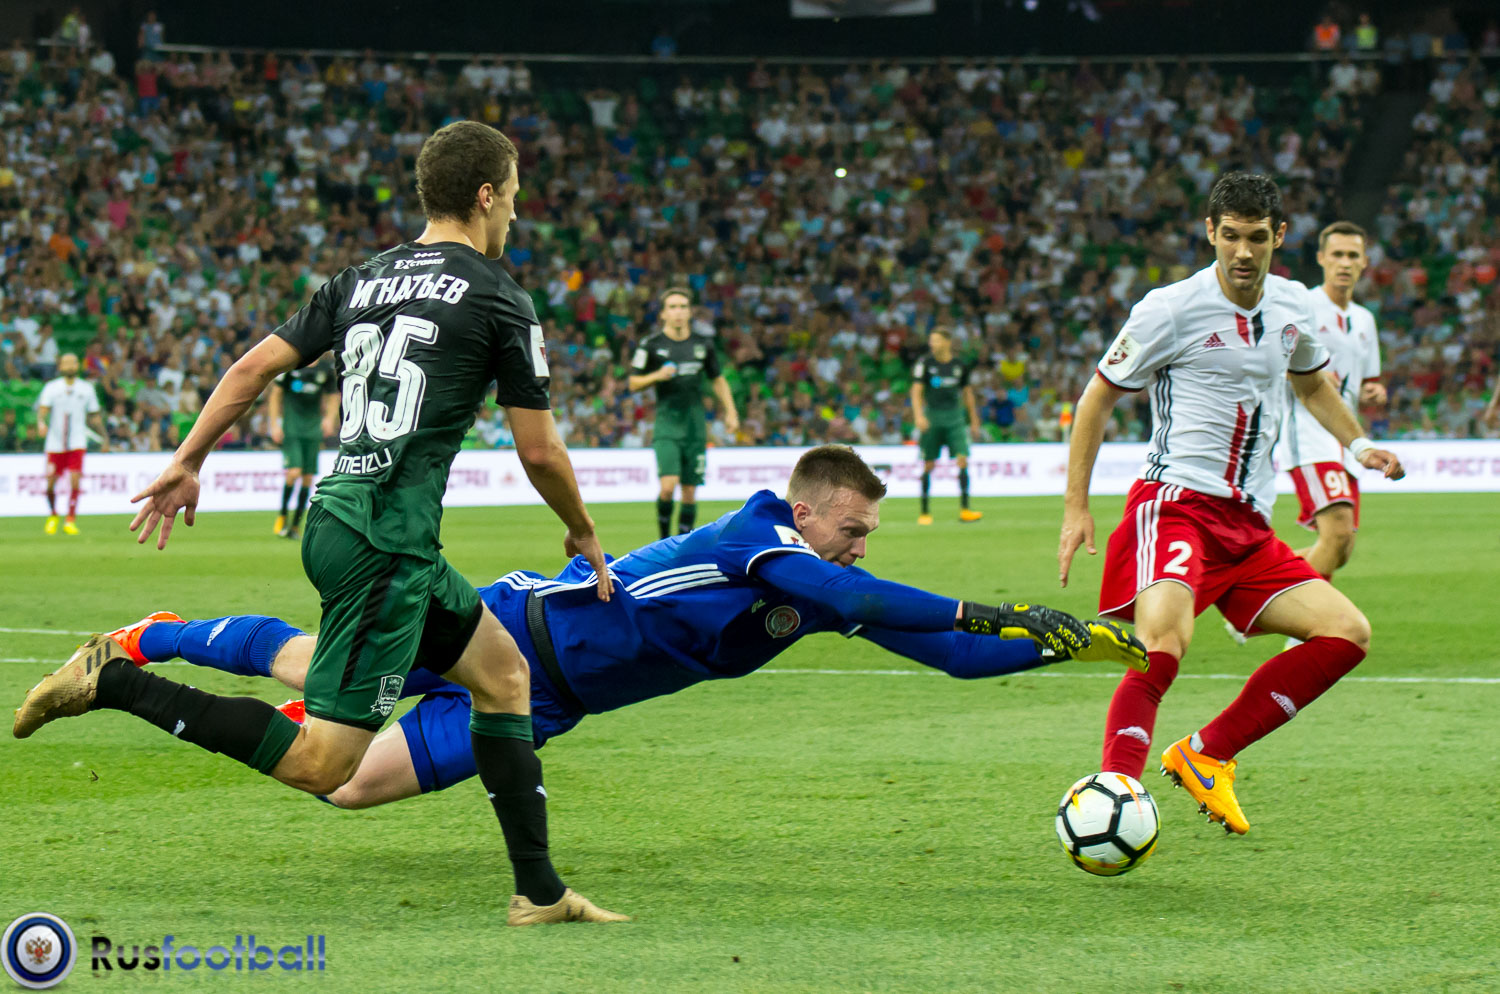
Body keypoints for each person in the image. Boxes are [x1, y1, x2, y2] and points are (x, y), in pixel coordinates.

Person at [14, 121, 623, 927]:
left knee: (505, 677)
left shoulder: (359, 281)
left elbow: (251, 368)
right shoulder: (499, 296)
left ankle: (538, 893)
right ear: (485, 196)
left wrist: (188, 459)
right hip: (386, 546)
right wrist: (581, 528)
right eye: (512, 196)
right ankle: (115, 679)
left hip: (347, 517)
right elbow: (539, 450)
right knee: (322, 765)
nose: (514, 211)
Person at [103, 446, 1146, 814]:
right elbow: (879, 604)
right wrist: (1000, 608)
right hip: (503, 633)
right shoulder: (757, 537)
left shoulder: (818, 588)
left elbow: (947, 655)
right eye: (855, 530)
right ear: (807, 511)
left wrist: (1054, 646)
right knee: (302, 662)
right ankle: (163, 636)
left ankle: (244, 695)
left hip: (546, 704)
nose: (862, 548)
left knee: (344, 787)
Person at [1057, 173, 1404, 836]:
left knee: (1347, 633)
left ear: (1279, 237)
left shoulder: (1293, 306)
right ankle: (1116, 788)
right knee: (1164, 641)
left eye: (1257, 238)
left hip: (1248, 523)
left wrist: (1360, 447)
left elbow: (1312, 385)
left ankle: (1208, 752)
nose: (1243, 252)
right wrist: (1077, 507)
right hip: (1178, 504)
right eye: (1231, 236)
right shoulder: (1169, 309)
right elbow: (1097, 397)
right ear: (1210, 232)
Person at [1273, 221, 1385, 586]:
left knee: (1341, 547)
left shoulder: (1364, 320)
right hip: (1308, 433)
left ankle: (1258, 580)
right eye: (1337, 254)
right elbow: (1272, 360)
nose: (1345, 263)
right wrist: (1308, 373)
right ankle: (1302, 617)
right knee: (1336, 534)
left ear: (1364, 262)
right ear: (1321, 258)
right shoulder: (1302, 305)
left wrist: (1374, 392)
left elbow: (1368, 382)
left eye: (1353, 255)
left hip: (1347, 441)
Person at [629, 287, 739, 539]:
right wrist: (657, 375)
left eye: (682, 307)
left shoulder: (703, 344)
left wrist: (731, 412)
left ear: (690, 312)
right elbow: (633, 383)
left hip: (694, 425)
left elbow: (717, 379)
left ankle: (682, 544)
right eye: (673, 307)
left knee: (689, 492)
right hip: (667, 424)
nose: (678, 312)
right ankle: (663, 541)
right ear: (663, 314)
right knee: (668, 487)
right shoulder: (651, 345)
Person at [910, 328, 983, 525]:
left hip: (955, 418)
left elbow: (967, 393)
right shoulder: (925, 364)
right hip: (932, 417)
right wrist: (919, 416)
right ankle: (925, 512)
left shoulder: (959, 365)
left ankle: (965, 509)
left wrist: (973, 419)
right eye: (931, 340)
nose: (932, 344)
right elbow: (916, 391)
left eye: (936, 340)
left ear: (947, 342)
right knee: (928, 464)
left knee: (962, 459)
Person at [36, 352, 107, 535]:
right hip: (55, 443)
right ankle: (53, 514)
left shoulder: (86, 389)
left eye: (73, 362)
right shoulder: (52, 388)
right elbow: (43, 410)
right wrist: (41, 423)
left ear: (78, 366)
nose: (70, 366)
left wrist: (104, 437)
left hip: (77, 441)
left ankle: (70, 519)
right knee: (50, 484)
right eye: (66, 363)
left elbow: (94, 415)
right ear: (60, 366)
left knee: (75, 480)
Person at [268, 354, 338, 539]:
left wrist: (329, 419)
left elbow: (333, 395)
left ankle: (295, 526)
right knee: (294, 473)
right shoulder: (291, 366)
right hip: (292, 429)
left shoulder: (324, 370)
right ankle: (282, 516)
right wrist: (274, 424)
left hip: (313, 430)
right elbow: (275, 394)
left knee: (307, 478)